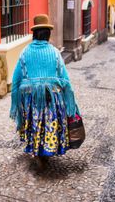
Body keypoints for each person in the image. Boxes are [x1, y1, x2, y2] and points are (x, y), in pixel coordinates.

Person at [10, 14, 81, 170]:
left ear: (35, 33)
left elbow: (16, 80)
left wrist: (15, 103)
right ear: (48, 33)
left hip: (31, 99)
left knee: (35, 123)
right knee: (49, 123)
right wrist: (71, 103)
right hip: (52, 98)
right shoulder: (54, 52)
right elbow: (65, 78)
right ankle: (46, 151)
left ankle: (37, 152)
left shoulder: (25, 52)